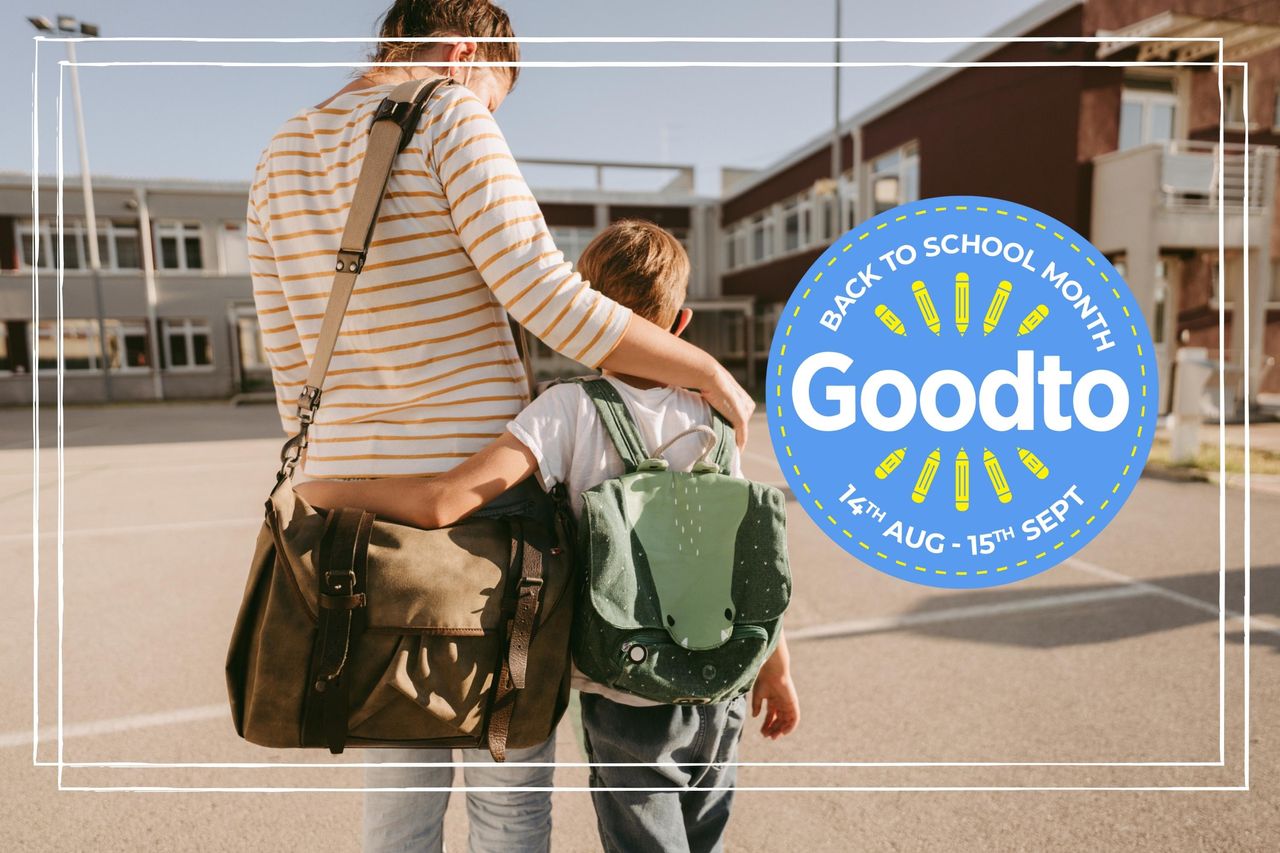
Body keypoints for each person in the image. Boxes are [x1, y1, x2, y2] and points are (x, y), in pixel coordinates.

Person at [247, 3, 754, 850]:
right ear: (466, 50)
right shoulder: (448, 110)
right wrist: (702, 369)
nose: (490, 110)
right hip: (483, 522)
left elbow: (292, 362)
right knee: (506, 796)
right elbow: (547, 296)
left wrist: (323, 479)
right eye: (497, 93)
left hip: (359, 525)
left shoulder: (278, 153)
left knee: (398, 797)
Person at [297, 220, 800, 853]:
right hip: (722, 679)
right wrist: (776, 670)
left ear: (579, 315)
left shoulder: (567, 409)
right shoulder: (714, 415)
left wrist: (323, 490)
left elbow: (445, 502)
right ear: (681, 324)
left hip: (625, 687)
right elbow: (744, 554)